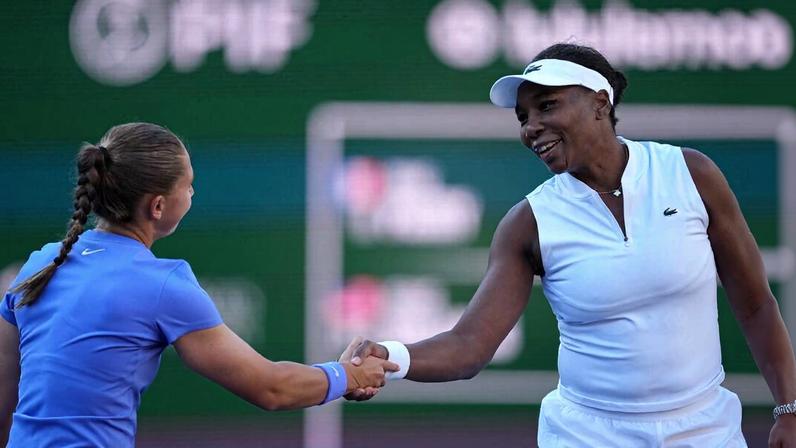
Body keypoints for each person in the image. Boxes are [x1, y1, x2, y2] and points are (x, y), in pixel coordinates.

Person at [347, 43, 796, 447]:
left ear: (601, 103)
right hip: (588, 435)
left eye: (547, 106)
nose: (532, 127)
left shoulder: (690, 174)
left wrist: (789, 408)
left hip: (704, 430)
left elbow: (756, 304)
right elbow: (469, 346)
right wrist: (392, 356)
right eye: (523, 117)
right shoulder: (528, 224)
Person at [0, 122, 397, 447]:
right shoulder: (162, 284)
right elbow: (271, 387)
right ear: (157, 207)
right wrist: (350, 375)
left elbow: (6, 379)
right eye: (187, 185)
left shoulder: (40, 263)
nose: (193, 192)